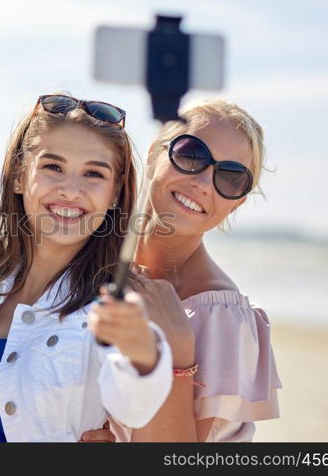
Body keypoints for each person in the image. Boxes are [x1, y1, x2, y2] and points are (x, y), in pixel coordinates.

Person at [0, 94, 174, 441]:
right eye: (53, 167)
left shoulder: (117, 300)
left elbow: (133, 404)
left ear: (114, 193)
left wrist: (143, 350)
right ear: (19, 176)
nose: (70, 190)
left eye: (93, 173)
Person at [114, 99, 282, 442]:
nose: (204, 183)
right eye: (192, 155)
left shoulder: (222, 317)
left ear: (237, 202)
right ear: (153, 155)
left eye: (231, 178)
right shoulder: (93, 262)